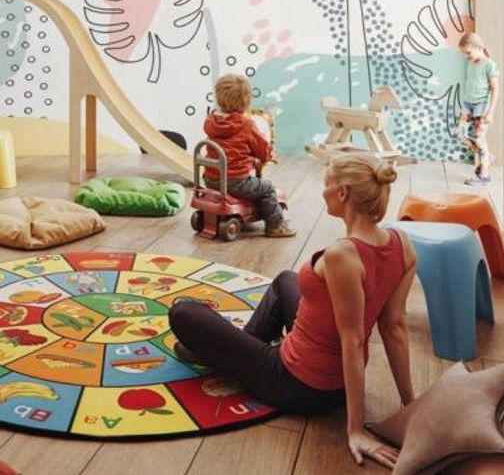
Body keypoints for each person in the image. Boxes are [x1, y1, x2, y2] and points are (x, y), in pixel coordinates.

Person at [169, 153, 417, 470]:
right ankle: (242, 348)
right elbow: (394, 327)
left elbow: (353, 341)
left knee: (183, 313)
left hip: (297, 383)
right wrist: (411, 404)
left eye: (326, 184)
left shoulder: (343, 255)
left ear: (342, 193)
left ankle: (231, 355)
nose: (323, 191)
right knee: (286, 280)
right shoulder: (401, 243)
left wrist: (355, 429)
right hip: (333, 380)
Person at [203, 73, 294, 237]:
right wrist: (268, 155)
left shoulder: (211, 121)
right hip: (236, 182)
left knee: (249, 176)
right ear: (246, 101)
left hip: (210, 178)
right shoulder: (246, 124)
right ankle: (275, 226)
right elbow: (261, 149)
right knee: (267, 188)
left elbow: (230, 147)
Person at [457, 32, 499, 185]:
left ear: (478, 47)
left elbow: (495, 89)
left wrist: (490, 112)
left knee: (480, 139)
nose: (466, 56)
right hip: (468, 104)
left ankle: (484, 175)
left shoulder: (489, 65)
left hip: (481, 106)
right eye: (464, 53)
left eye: (468, 52)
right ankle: (486, 156)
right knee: (461, 134)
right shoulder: (470, 62)